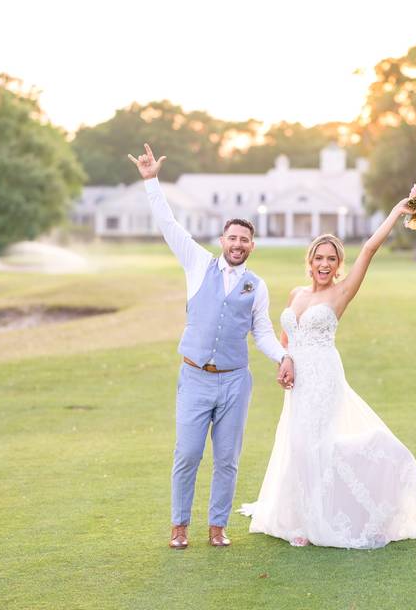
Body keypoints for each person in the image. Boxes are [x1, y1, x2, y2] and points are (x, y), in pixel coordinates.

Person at [128, 144, 295, 549]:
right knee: (186, 454)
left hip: (236, 382)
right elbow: (169, 224)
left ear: (252, 246)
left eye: (245, 240)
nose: (238, 244)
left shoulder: (257, 286)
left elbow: (263, 334)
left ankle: (217, 527)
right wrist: (151, 182)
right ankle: (179, 526)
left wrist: (284, 355)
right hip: (195, 377)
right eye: (233, 237)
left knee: (227, 460)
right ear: (222, 239)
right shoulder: (197, 263)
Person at [240, 200, 416, 548]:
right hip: (298, 382)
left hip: (324, 376)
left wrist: (396, 212)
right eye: (319, 258)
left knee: (316, 444)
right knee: (298, 445)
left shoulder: (342, 292)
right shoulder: (295, 294)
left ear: (338, 264)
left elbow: (370, 249)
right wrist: (283, 363)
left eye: (331, 259)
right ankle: (300, 516)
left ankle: (322, 518)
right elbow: (286, 341)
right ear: (310, 262)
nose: (325, 264)